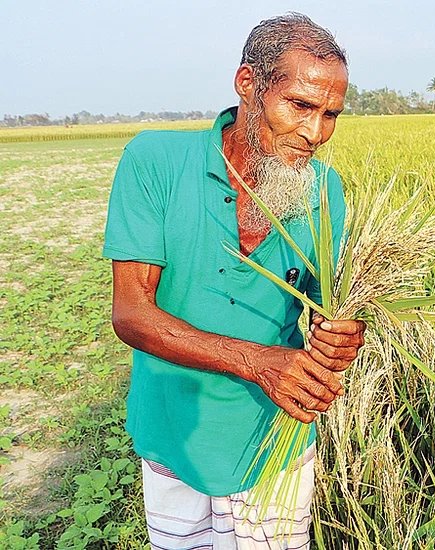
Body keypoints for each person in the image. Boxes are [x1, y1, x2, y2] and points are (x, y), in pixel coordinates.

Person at [102, 13, 363, 548]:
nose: (315, 133)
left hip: (276, 446)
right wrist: (259, 363)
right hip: (177, 434)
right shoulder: (155, 162)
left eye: (331, 114)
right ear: (248, 85)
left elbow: (326, 311)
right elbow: (131, 313)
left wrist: (341, 335)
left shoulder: (323, 191)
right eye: (300, 105)